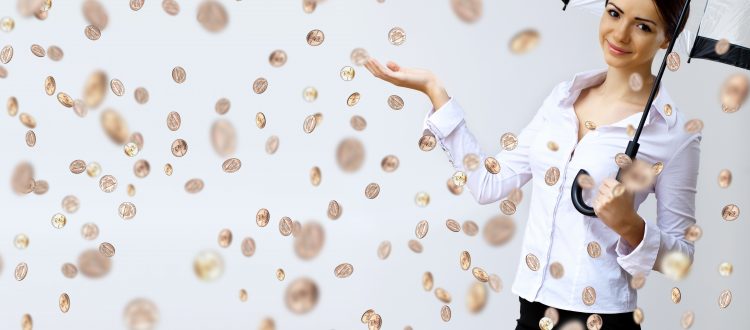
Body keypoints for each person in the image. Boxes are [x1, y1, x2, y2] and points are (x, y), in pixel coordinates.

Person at [364, 0, 700, 329]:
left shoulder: (673, 134)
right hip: (532, 313)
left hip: (603, 321)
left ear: (667, 38)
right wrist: (435, 92)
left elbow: (681, 261)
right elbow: (488, 184)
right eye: (614, 13)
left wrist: (630, 226)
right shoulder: (562, 98)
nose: (621, 34)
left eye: (643, 26)